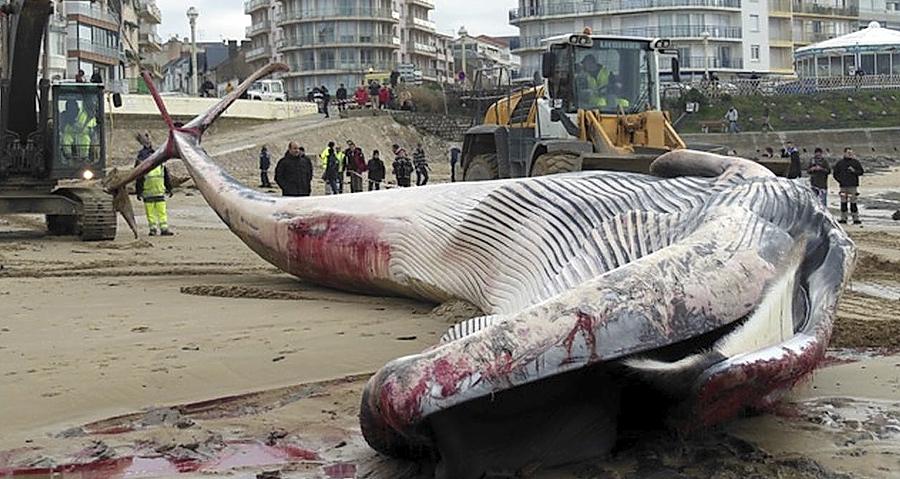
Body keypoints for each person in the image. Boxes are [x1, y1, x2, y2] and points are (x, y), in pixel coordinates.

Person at [134, 134, 173, 236]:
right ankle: (164, 228)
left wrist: (138, 192)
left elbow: (139, 178)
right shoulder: (159, 162)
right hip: (159, 191)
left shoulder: (141, 161)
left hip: (148, 193)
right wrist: (169, 188)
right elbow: (166, 177)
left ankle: (153, 229)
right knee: (162, 212)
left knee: (150, 213)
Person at [833, 147, 865, 225]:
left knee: (853, 203)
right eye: (848, 153)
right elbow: (835, 174)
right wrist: (840, 180)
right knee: (843, 202)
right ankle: (843, 218)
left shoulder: (855, 162)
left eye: (851, 153)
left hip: (853, 186)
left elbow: (861, 172)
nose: (850, 154)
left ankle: (855, 218)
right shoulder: (840, 163)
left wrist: (854, 171)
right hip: (843, 186)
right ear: (844, 153)